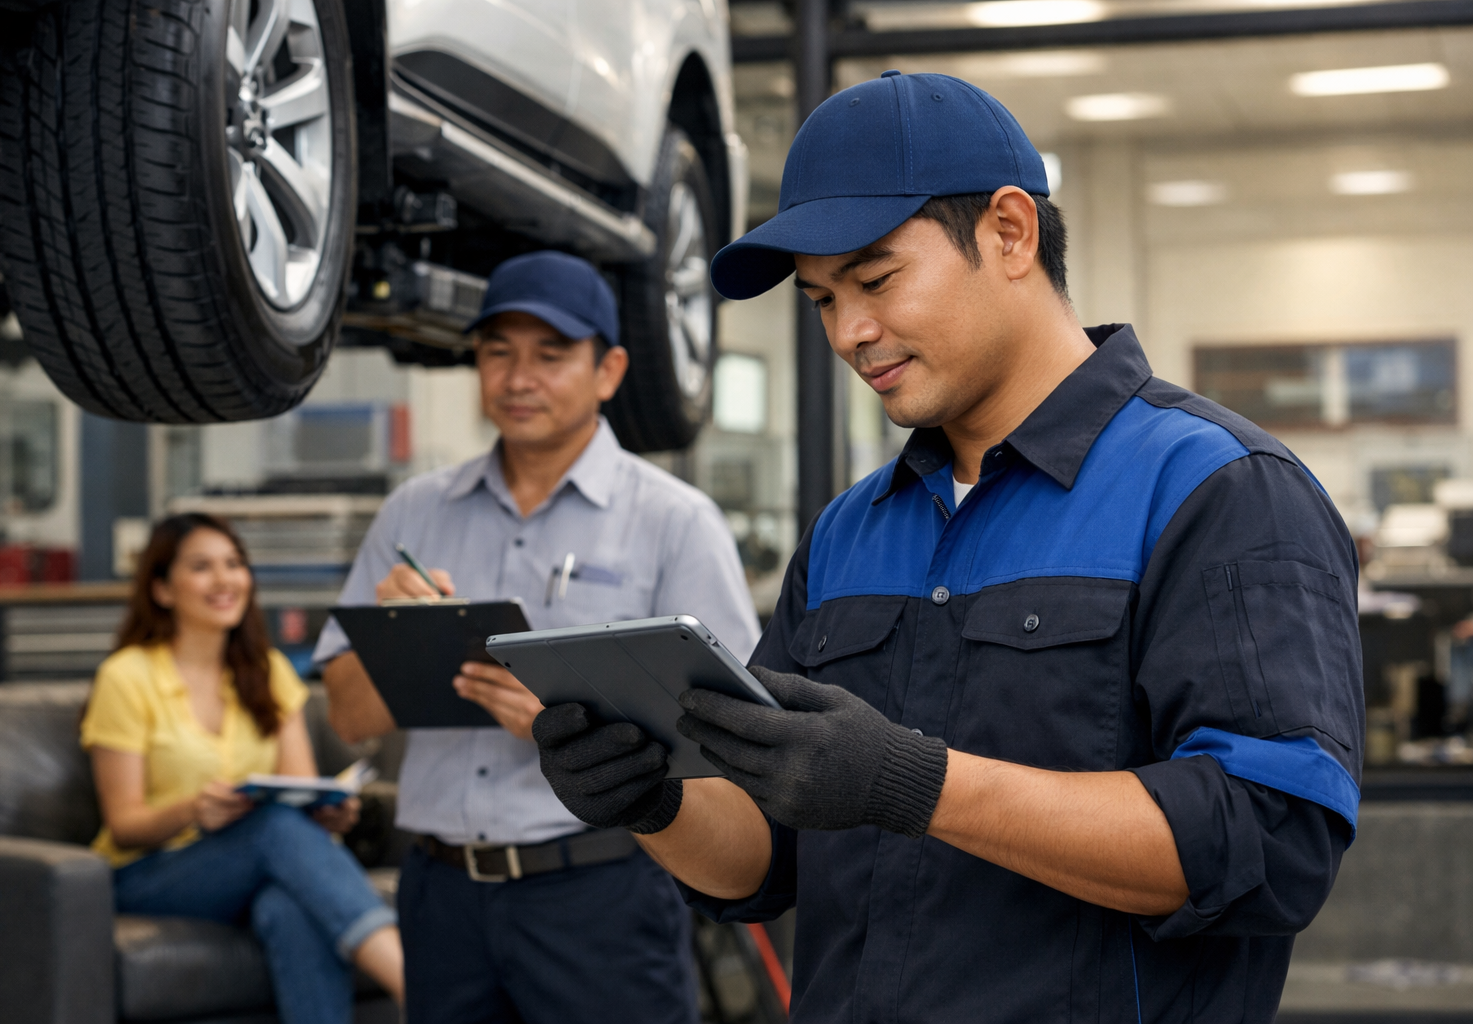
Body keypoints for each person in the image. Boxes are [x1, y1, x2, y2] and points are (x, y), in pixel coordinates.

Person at [530, 72, 1365, 1022]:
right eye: (821, 301)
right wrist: (652, 800)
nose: (851, 332)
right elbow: (767, 857)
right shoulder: (850, 531)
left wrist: (915, 782)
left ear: (1010, 232)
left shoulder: (1217, 490)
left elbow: (1270, 844)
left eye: (877, 279)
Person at [316, 249, 759, 1024]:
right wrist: (397, 639)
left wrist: (568, 723)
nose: (519, 378)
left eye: (551, 355)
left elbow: (734, 736)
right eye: (497, 353)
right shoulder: (414, 515)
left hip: (601, 893)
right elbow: (348, 718)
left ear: (610, 370)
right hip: (442, 897)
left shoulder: (674, 521)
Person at [81, 513, 405, 1024]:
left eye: (234, 564)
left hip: (259, 862)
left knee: (289, 906)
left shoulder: (268, 670)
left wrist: (327, 813)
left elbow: (299, 790)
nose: (225, 579)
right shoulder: (126, 676)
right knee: (274, 828)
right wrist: (195, 809)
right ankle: (415, 987)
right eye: (202, 567)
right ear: (163, 589)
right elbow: (124, 825)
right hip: (149, 873)